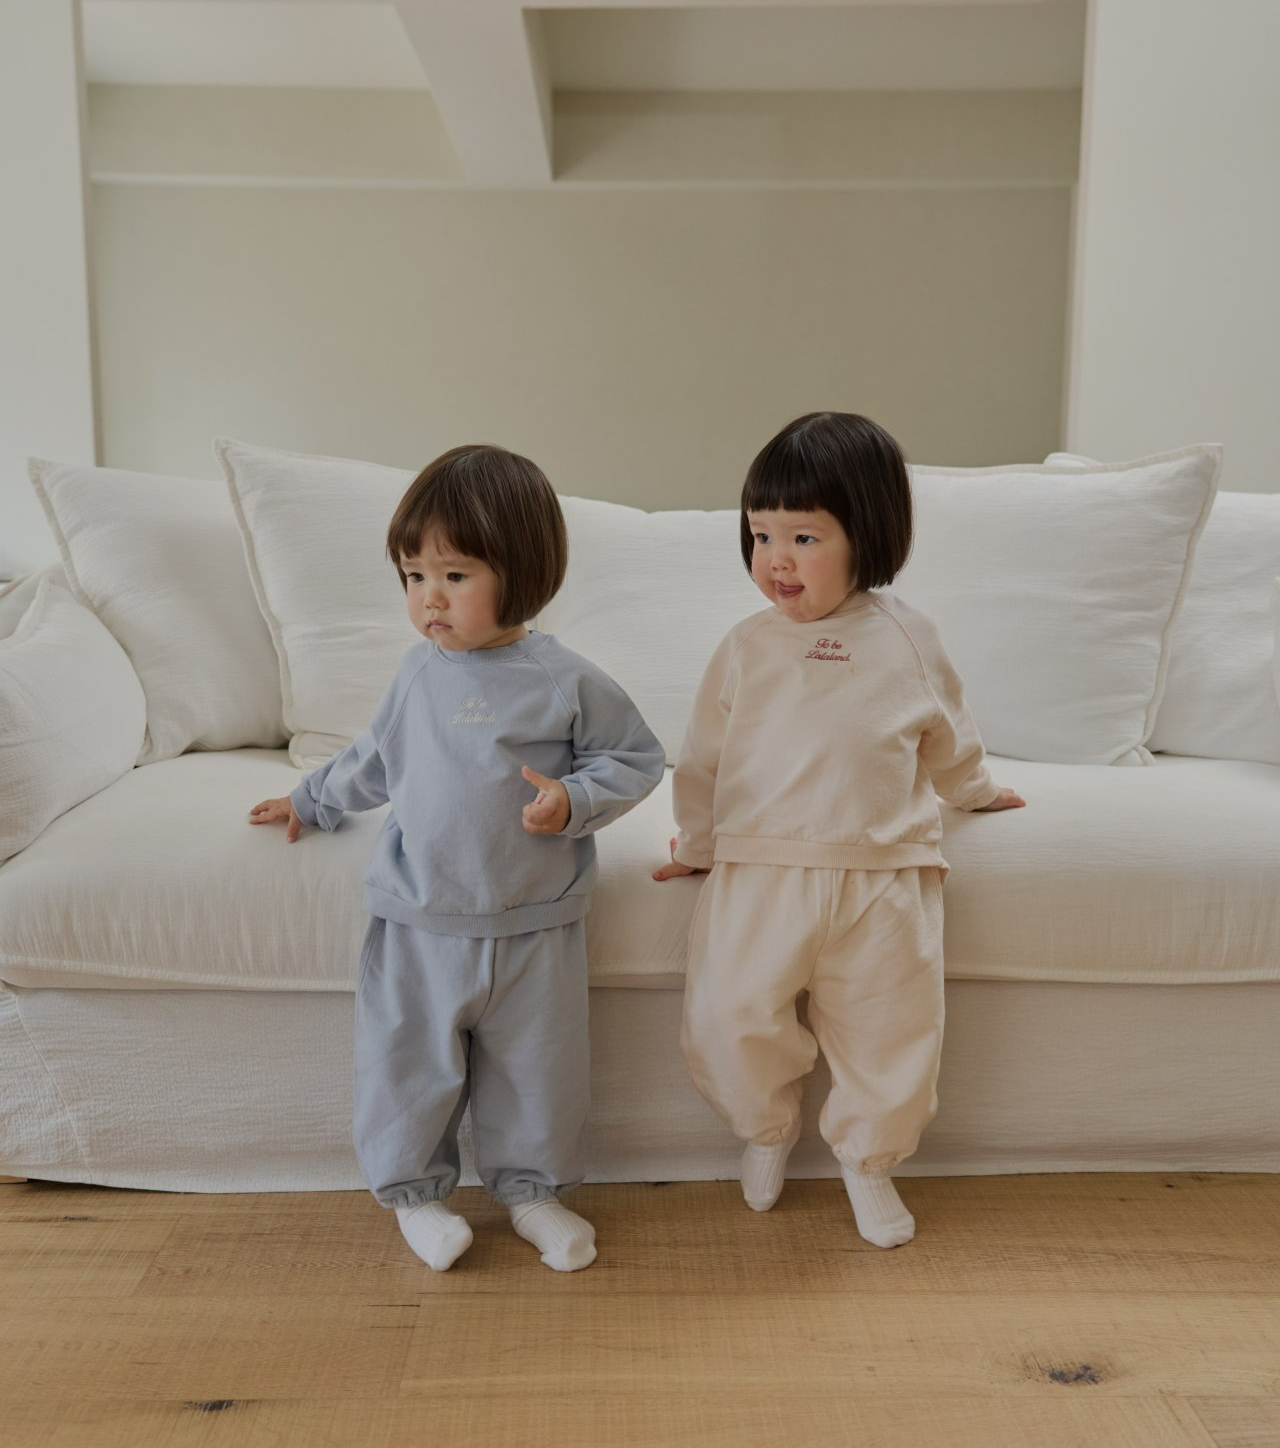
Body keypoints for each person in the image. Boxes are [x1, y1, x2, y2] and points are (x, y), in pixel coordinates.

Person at [249, 444, 664, 1274]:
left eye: (454, 575)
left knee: (539, 1075)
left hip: (533, 924)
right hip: (419, 922)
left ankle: (534, 1195)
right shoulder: (417, 673)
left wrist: (573, 800)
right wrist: (311, 799)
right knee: (408, 1067)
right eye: (413, 577)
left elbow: (635, 758)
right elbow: (375, 757)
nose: (428, 598)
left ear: (522, 572)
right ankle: (417, 1197)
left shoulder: (563, 679)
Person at [653, 412, 1025, 1248]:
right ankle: (764, 1129)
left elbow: (950, 736)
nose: (776, 559)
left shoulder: (906, 638)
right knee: (728, 1017)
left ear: (867, 534)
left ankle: (869, 1162)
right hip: (760, 872)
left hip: (883, 875)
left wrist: (977, 793)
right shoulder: (745, 648)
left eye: (803, 537)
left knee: (892, 1033)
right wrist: (699, 846)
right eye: (760, 536)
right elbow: (703, 759)